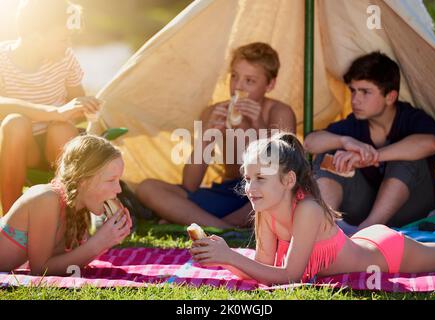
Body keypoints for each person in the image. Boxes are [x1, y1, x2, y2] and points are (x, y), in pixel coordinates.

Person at [190, 133, 435, 286]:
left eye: (260, 178)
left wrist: (230, 257)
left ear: (288, 180)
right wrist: (222, 258)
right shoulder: (265, 210)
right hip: (359, 242)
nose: (249, 187)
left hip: (386, 253)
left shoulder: (307, 209)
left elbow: (289, 277)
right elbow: (263, 268)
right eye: (247, 178)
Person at [136, 42, 296, 228]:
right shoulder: (214, 112)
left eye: (250, 81)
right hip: (227, 192)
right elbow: (190, 184)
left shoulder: (278, 112)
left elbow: (281, 171)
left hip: (262, 192)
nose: (238, 87)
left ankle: (205, 223)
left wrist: (259, 125)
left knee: (281, 193)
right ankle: (225, 228)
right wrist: (207, 136)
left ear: (270, 84)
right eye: (234, 77)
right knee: (147, 188)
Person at [303, 51, 435, 233]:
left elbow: (431, 143)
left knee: (407, 155)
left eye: (365, 92)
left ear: (390, 97)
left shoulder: (411, 118)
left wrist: (372, 156)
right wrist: (345, 141)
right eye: (353, 91)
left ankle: (367, 233)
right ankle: (321, 229)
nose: (355, 99)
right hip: (366, 209)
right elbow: (310, 142)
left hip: (415, 212)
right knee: (330, 156)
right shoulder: (354, 124)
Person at [0, 0, 102, 214]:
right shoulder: (2, 58)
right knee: (15, 123)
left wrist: (85, 106)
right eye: (62, 39)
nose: (67, 45)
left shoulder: (65, 59)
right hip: (20, 146)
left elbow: (77, 105)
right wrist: (52, 112)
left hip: (56, 145)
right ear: (36, 38)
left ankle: (66, 217)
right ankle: (11, 221)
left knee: (61, 127)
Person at [0, 134, 132, 275]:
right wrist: (98, 242)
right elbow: (40, 270)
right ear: (83, 180)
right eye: (111, 180)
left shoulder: (77, 210)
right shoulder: (46, 199)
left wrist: (106, 242)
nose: (118, 189)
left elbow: (64, 265)